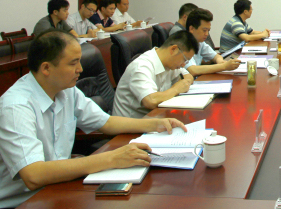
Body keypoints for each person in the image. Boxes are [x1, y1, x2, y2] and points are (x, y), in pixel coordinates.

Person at [0, 30, 187, 208]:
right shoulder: (16, 107)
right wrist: (112, 158)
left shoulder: (66, 90)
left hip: (59, 187)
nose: (80, 69)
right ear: (46, 68)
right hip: (25, 201)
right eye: (73, 63)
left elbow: (106, 122)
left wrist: (154, 124)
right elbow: (33, 175)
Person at [112, 31, 199, 118]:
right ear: (174, 49)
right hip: (133, 124)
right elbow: (151, 101)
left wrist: (183, 84)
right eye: (185, 59)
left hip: (155, 117)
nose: (184, 65)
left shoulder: (169, 63)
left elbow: (188, 76)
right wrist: (176, 89)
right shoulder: (141, 66)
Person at [181, 8, 241, 76]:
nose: (207, 34)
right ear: (191, 29)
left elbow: (216, 56)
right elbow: (193, 70)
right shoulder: (183, 43)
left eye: (208, 31)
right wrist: (224, 66)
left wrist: (221, 62)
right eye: (204, 30)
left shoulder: (200, 42)